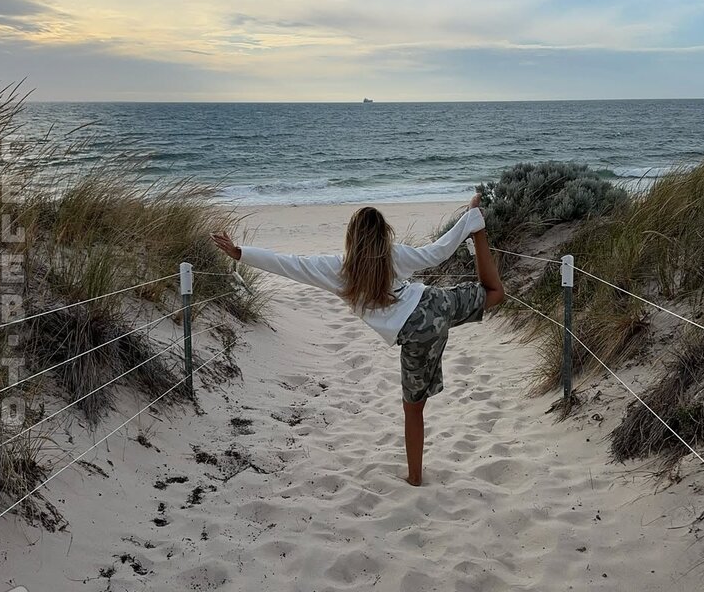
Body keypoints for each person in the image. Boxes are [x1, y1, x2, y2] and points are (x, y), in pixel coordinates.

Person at [210, 192, 504, 486]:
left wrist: (240, 253)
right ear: (384, 234)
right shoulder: (395, 255)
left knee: (413, 409)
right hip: (434, 304)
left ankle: (415, 477)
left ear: (351, 237)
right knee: (494, 294)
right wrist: (469, 220)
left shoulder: (339, 269)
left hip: (415, 333)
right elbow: (437, 252)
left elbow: (291, 264)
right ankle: (479, 229)